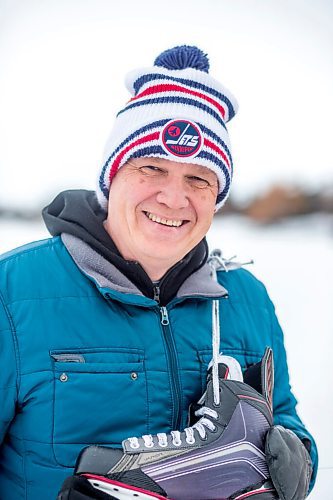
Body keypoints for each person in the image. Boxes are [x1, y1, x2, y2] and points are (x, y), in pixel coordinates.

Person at [0, 45, 317, 500]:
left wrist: (298, 458)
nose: (173, 198)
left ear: (217, 196)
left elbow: (282, 417)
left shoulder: (246, 298)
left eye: (198, 179)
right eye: (152, 168)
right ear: (112, 178)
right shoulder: (13, 293)